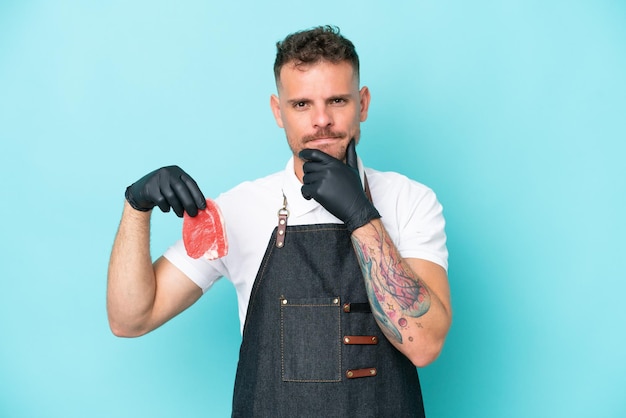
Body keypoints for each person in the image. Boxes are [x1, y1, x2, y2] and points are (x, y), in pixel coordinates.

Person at [107, 25, 451, 417]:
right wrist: (136, 207)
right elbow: (130, 318)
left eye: (337, 100)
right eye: (302, 104)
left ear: (363, 103)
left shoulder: (410, 201)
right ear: (278, 111)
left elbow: (424, 344)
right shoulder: (239, 210)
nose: (321, 120)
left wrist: (360, 214)